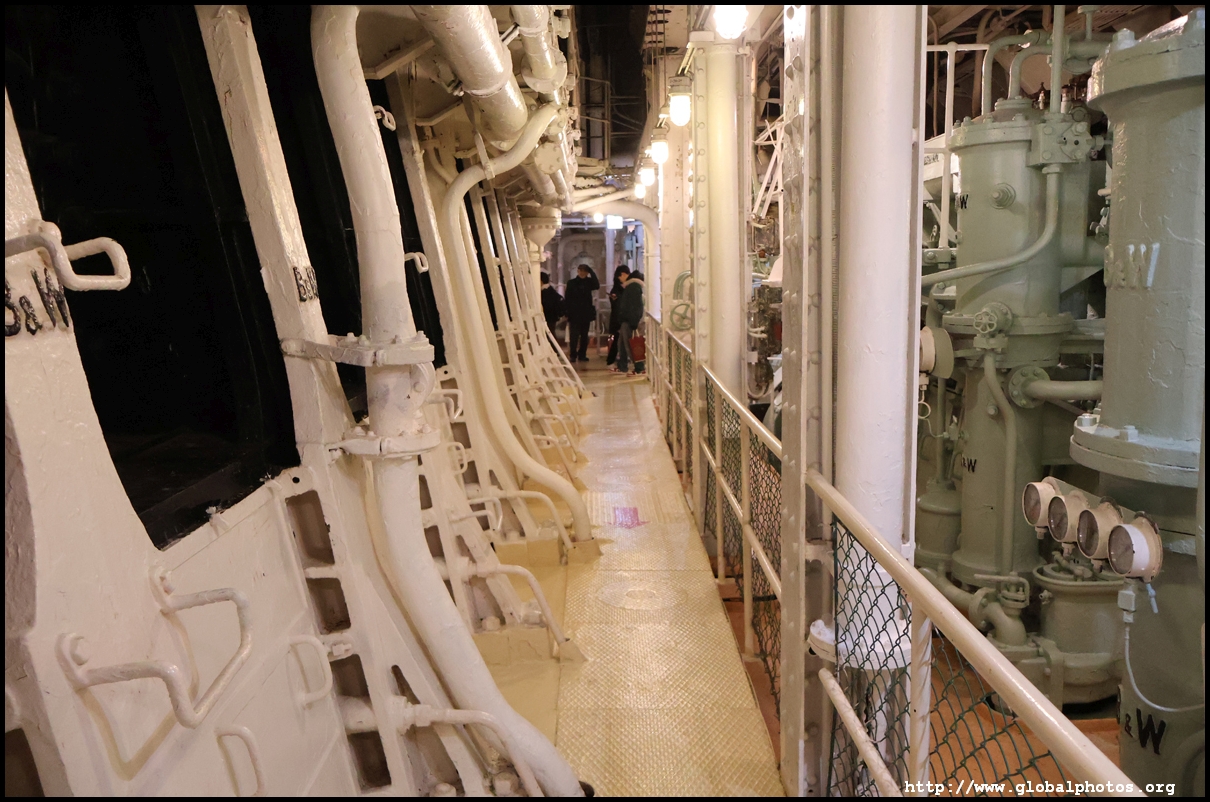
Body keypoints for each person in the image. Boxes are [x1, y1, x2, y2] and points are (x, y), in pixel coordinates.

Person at [563, 263, 600, 363]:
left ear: (587, 272)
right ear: (578, 271)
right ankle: (573, 355)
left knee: (584, 335)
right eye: (581, 271)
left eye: (585, 271)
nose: (582, 273)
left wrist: (592, 272)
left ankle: (582, 354)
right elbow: (568, 298)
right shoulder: (571, 283)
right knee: (574, 335)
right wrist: (567, 312)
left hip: (585, 312)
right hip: (574, 312)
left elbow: (597, 285)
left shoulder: (589, 282)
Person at [611, 270, 644, 375]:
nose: (619, 280)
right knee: (622, 343)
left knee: (631, 345)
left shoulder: (633, 287)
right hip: (627, 320)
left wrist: (632, 321)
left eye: (620, 277)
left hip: (629, 321)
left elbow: (634, 306)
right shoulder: (634, 287)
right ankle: (623, 365)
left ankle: (639, 368)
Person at [605, 265, 630, 365]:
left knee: (618, 339)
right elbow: (618, 306)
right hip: (619, 318)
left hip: (617, 318)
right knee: (619, 339)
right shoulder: (619, 290)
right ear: (623, 274)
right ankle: (615, 359)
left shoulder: (616, 289)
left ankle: (613, 359)